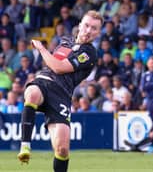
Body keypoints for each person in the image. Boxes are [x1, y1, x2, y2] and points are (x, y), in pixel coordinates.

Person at [17, 10, 103, 172]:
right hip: (44, 82)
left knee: (62, 150)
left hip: (62, 95)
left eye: (94, 28)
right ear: (80, 26)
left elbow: (57, 67)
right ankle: (25, 147)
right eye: (86, 25)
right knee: (32, 93)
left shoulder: (89, 53)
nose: (89, 30)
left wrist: (41, 49)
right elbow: (51, 67)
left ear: (98, 33)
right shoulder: (65, 41)